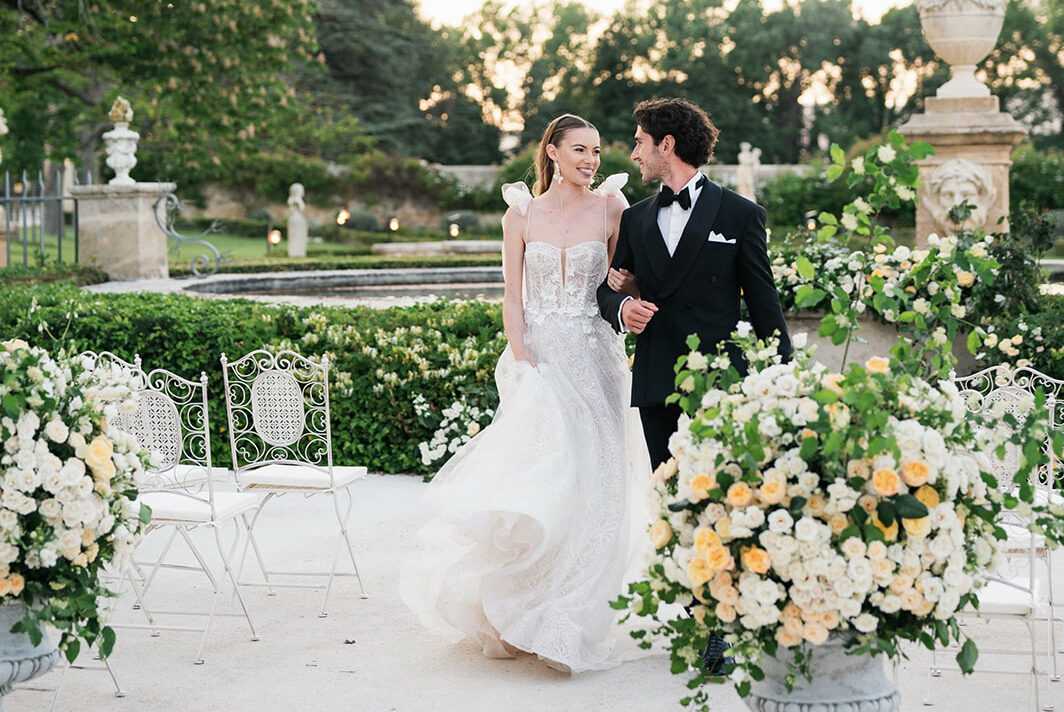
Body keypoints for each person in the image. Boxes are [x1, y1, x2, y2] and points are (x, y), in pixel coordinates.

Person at [400, 114, 655, 674]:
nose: (592, 160)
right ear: (553, 152)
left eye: (597, 150)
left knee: (598, 482)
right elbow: (511, 298)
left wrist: (627, 290)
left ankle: (571, 616)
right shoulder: (521, 213)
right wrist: (522, 360)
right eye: (581, 150)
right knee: (540, 481)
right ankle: (520, 609)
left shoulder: (614, 207)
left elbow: (624, 285)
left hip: (596, 360)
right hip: (539, 362)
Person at [596, 97, 792, 672]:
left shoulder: (739, 215)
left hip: (722, 383)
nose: (632, 152)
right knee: (675, 501)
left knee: (724, 501)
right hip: (657, 381)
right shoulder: (633, 218)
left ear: (667, 145)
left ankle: (725, 621)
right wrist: (622, 306)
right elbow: (609, 290)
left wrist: (781, 379)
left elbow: (764, 305)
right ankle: (697, 610)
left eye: (639, 141)